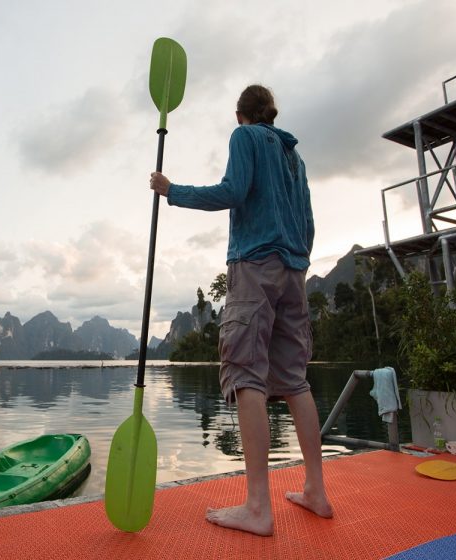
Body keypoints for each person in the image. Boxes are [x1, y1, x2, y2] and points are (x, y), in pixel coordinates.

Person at [149, 84, 333, 536]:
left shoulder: (245, 138)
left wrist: (172, 191)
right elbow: (308, 221)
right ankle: (316, 491)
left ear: (239, 115)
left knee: (245, 373)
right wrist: (297, 261)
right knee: (294, 379)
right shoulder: (295, 158)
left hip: (255, 265)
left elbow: (232, 190)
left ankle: (257, 507)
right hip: (295, 270)